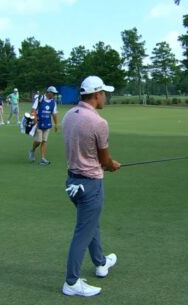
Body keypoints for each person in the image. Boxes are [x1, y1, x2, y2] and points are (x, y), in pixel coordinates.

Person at [61, 76, 121, 297]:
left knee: (90, 224)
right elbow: (105, 161)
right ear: (96, 95)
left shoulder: (68, 115)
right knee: (83, 232)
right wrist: (113, 165)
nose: (105, 96)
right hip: (90, 184)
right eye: (104, 93)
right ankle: (71, 282)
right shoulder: (99, 123)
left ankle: (101, 262)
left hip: (72, 182)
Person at [28, 86, 58, 165]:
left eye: (55, 94)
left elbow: (54, 114)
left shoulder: (53, 102)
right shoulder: (40, 98)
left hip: (47, 124)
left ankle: (42, 158)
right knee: (38, 140)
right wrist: (34, 119)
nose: (54, 95)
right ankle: (32, 150)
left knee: (44, 141)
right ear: (48, 92)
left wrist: (56, 124)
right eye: (53, 93)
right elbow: (33, 110)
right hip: (38, 123)